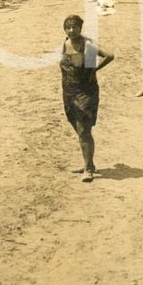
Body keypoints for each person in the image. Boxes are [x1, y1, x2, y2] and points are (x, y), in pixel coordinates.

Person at [59, 14, 114, 183]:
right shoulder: (66, 43)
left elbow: (109, 55)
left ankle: (88, 168)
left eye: (74, 26)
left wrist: (95, 69)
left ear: (80, 28)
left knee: (84, 131)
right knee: (79, 129)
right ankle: (87, 161)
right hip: (68, 92)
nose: (71, 30)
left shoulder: (87, 44)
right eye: (68, 27)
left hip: (85, 92)